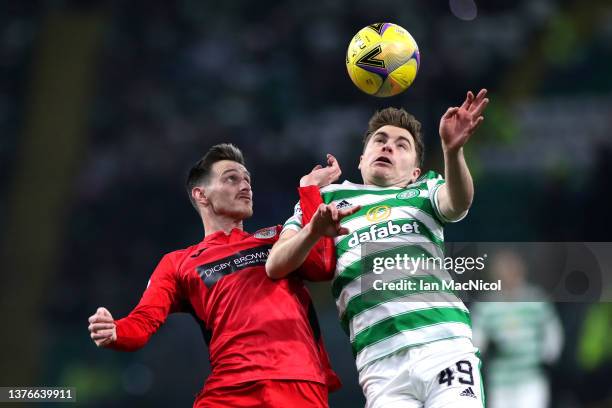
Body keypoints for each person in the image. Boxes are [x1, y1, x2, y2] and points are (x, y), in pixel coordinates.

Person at [266, 90, 489, 408]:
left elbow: (458, 204)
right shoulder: (326, 199)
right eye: (380, 140)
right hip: (379, 364)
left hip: (444, 344)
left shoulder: (423, 190)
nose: (388, 146)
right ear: (361, 159)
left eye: (402, 146)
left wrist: (453, 152)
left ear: (414, 171)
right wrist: (314, 230)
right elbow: (275, 264)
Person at [87, 143, 343, 407]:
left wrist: (310, 188)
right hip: (229, 389)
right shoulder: (178, 263)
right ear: (201, 194)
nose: (245, 186)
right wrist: (116, 331)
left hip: (296, 382)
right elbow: (142, 323)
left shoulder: (278, 238)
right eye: (231, 179)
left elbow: (321, 265)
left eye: (247, 180)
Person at [471, 250, 563, 408]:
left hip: (531, 378)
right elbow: (475, 339)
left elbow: (552, 330)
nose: (508, 275)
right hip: (500, 381)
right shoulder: (486, 305)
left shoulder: (535, 299)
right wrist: (483, 349)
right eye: (503, 270)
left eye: (512, 269)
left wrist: (548, 356)